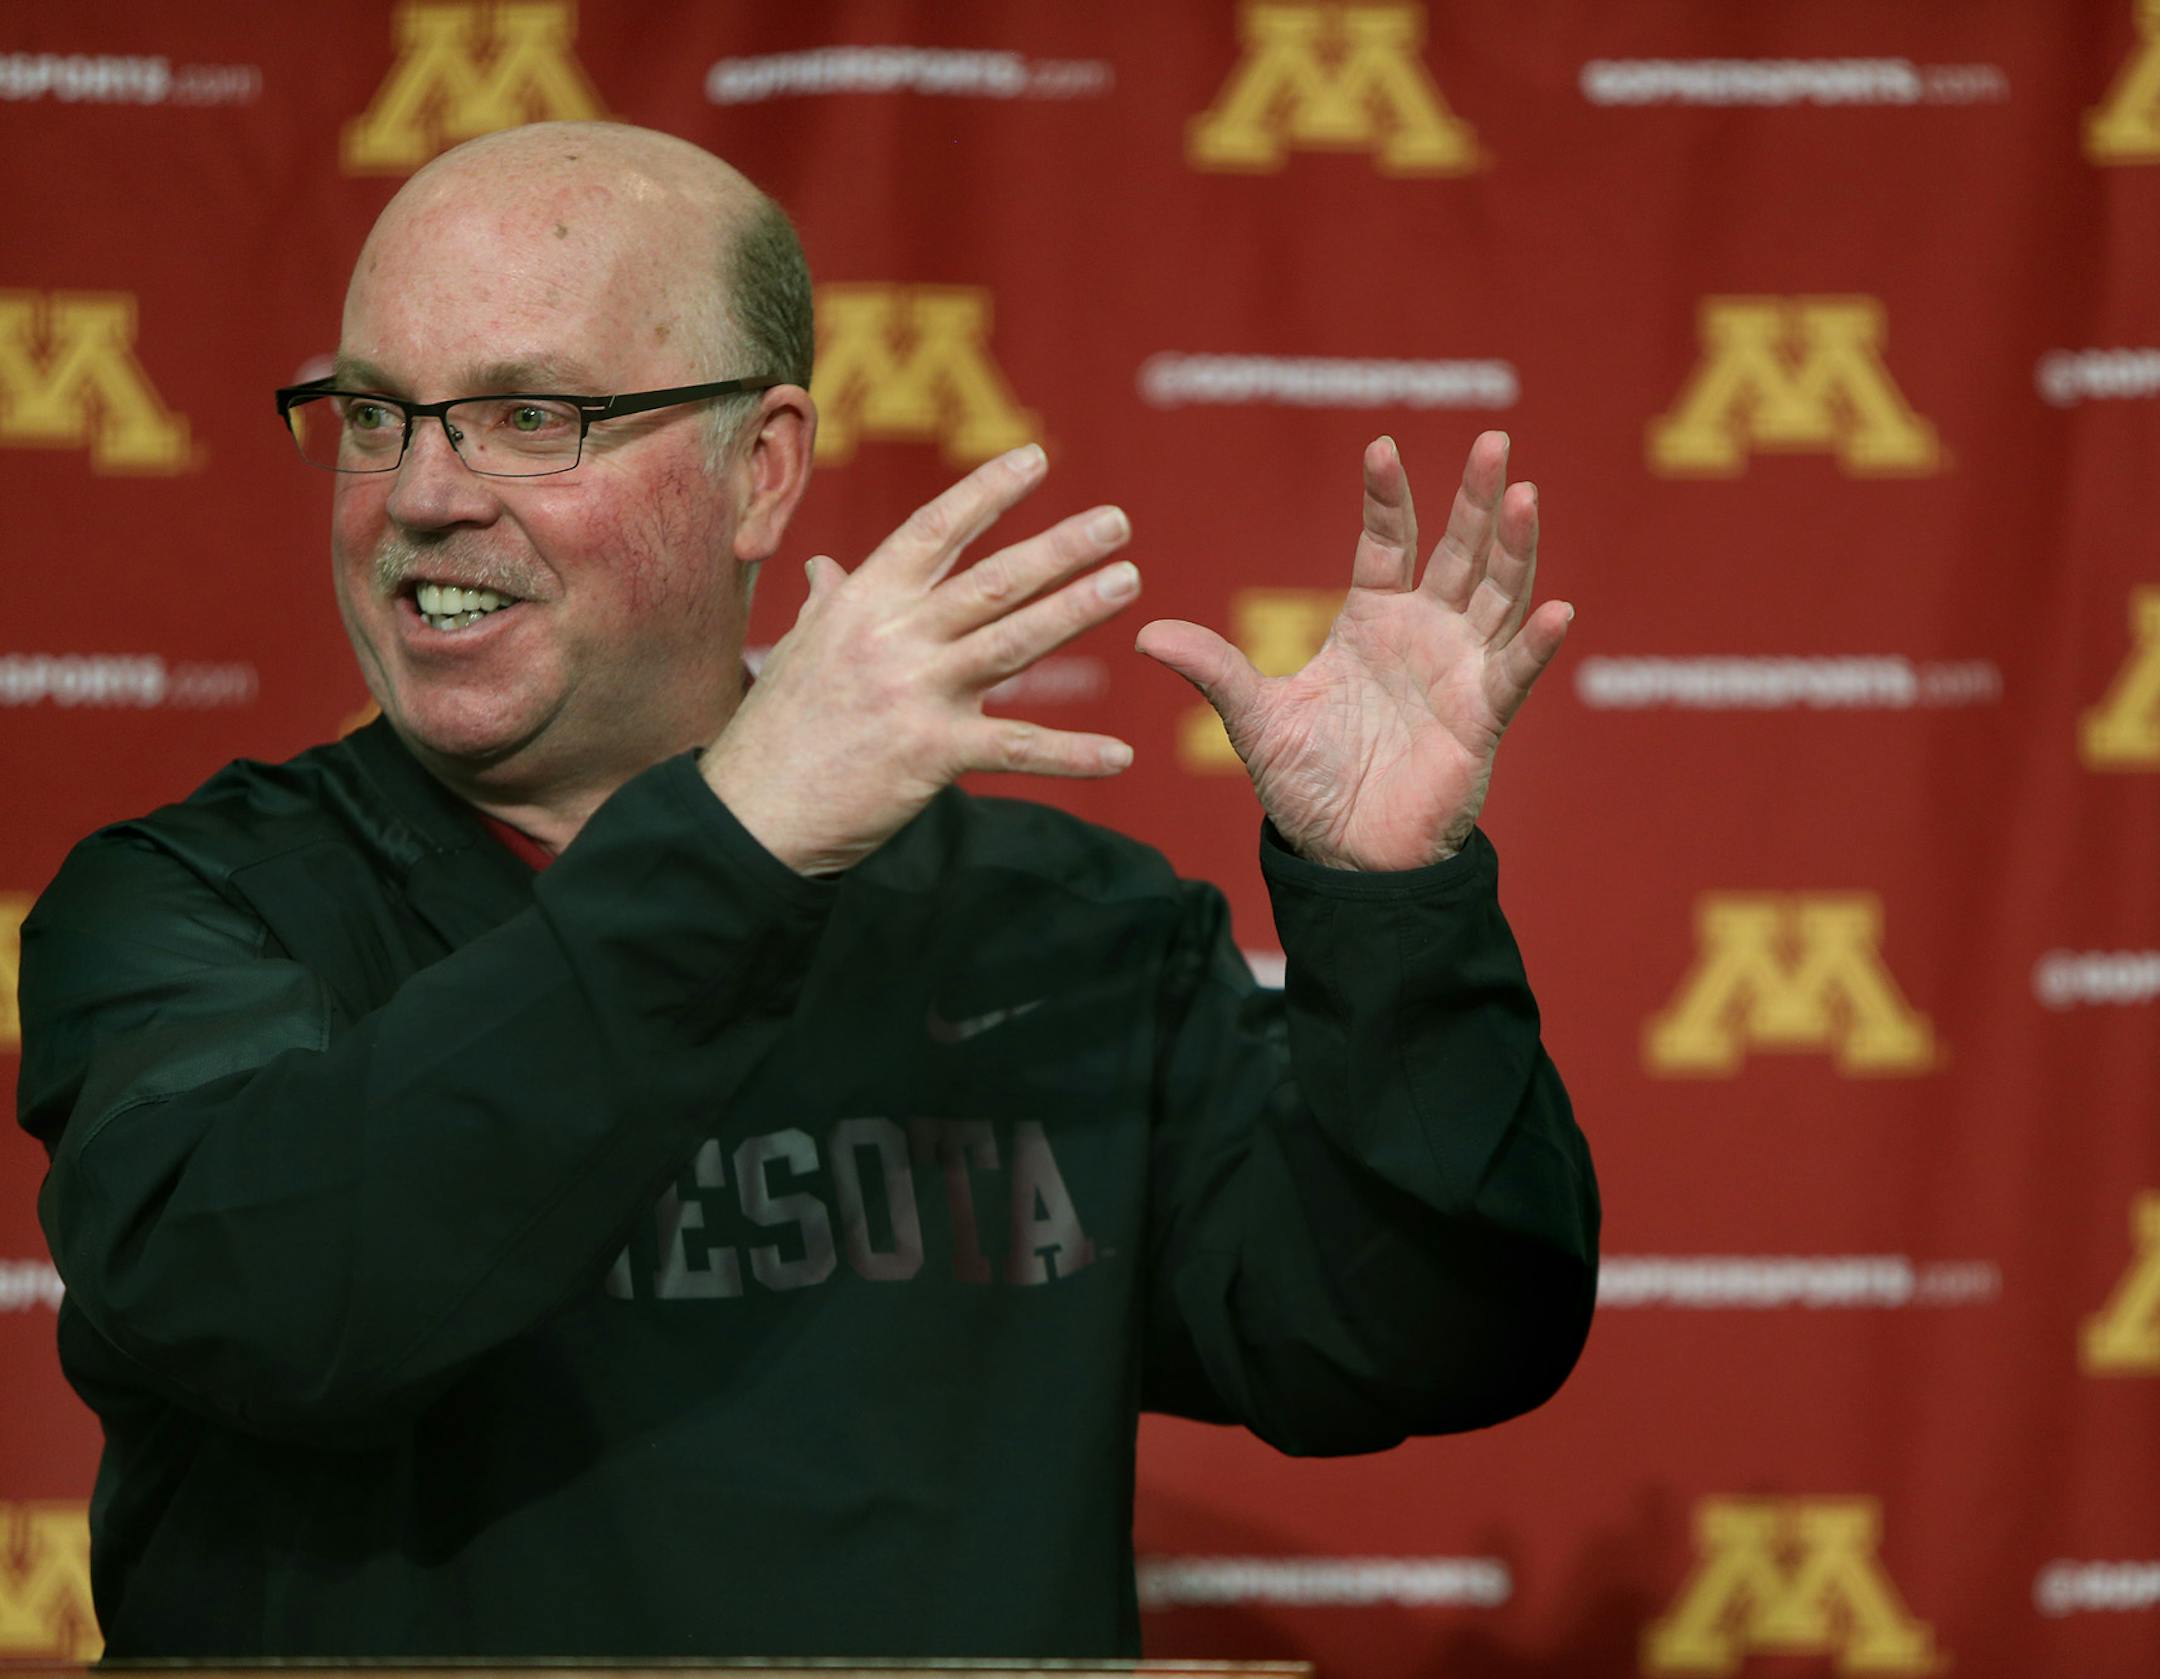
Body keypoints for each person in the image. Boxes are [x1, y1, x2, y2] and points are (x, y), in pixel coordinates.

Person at [17, 122, 1596, 1659]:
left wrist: (1392, 911)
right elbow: (272, 1307)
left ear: (758, 472)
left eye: (532, 415)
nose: (421, 493)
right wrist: (733, 843)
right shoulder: (184, 909)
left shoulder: (1061, 929)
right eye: (377, 415)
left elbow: (1421, 1340)